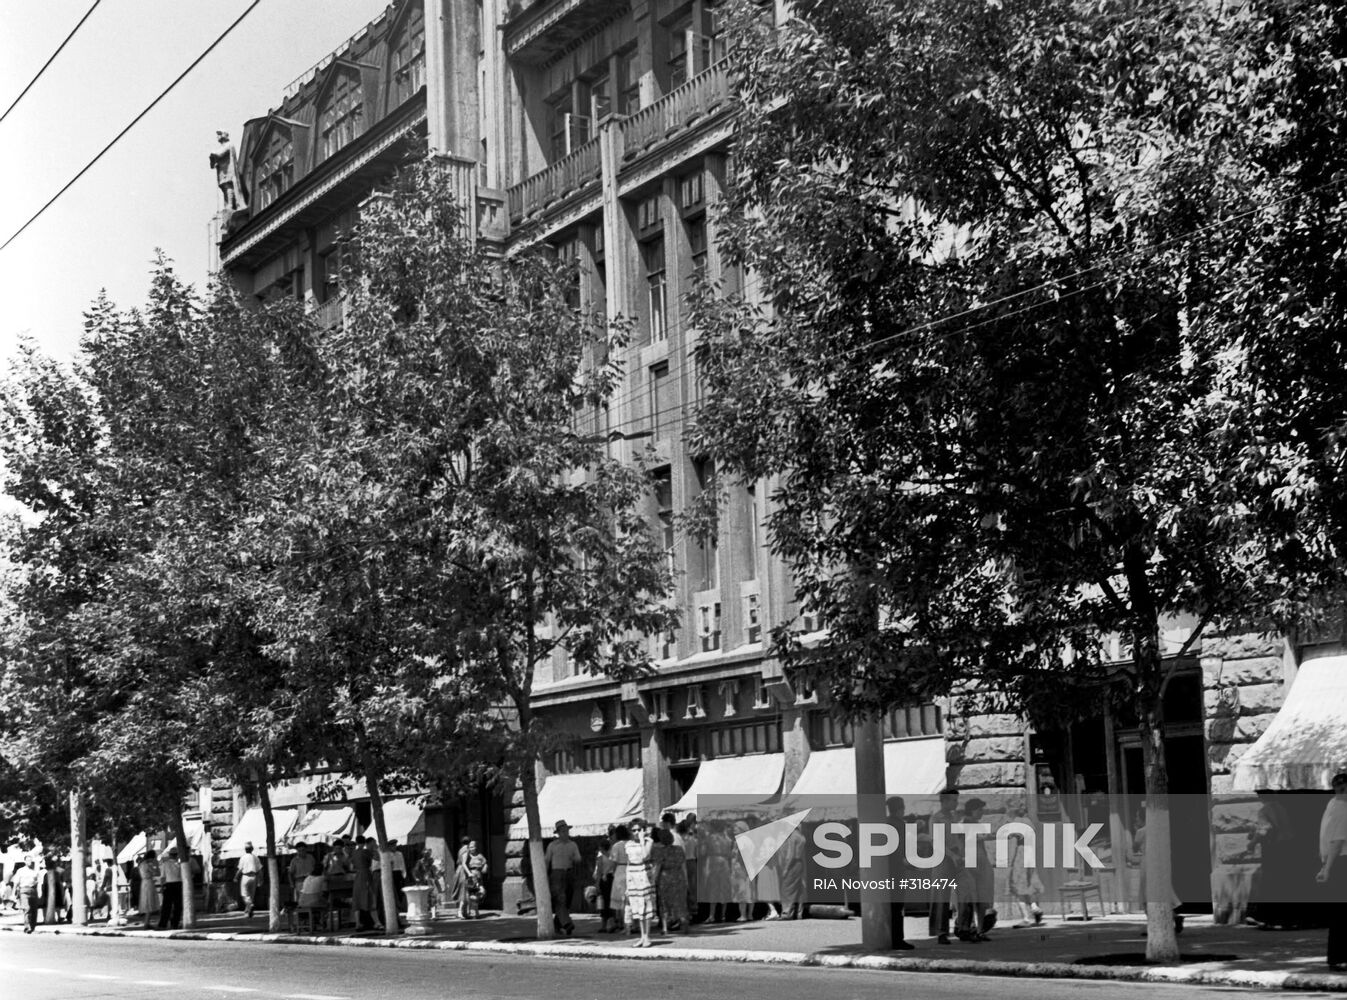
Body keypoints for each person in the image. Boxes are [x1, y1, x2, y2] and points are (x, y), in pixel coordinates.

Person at [1316, 771, 1347, 971]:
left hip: (1334, 862)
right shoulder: (1343, 807)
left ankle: (1336, 956)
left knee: (1339, 913)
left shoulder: (1332, 805)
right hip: (1342, 862)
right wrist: (1327, 869)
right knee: (1342, 914)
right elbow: (1337, 840)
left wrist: (1325, 865)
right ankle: (1340, 956)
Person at [953, 797, 994, 941]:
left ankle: (980, 930)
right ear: (972, 810)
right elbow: (961, 842)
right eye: (979, 809)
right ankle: (966, 927)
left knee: (982, 899)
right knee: (970, 898)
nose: (981, 812)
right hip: (969, 863)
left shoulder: (977, 824)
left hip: (981, 862)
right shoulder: (962, 823)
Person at [928, 789, 960, 943]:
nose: (956, 803)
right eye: (954, 800)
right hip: (942, 859)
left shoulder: (954, 817)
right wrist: (952, 856)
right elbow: (937, 843)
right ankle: (941, 932)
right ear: (945, 801)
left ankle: (963, 926)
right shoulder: (937, 819)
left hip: (956, 857)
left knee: (964, 892)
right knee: (941, 896)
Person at [545, 820, 582, 935]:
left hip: (569, 873)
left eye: (566, 831)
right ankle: (567, 924)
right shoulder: (552, 846)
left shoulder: (572, 845)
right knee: (560, 899)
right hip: (556, 874)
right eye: (563, 831)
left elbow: (578, 858)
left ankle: (557, 925)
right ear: (558, 833)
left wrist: (574, 858)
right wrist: (545, 876)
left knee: (567, 901)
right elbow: (547, 861)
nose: (565, 833)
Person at [625, 821, 657, 947]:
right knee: (637, 906)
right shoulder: (628, 845)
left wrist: (642, 841)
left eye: (638, 830)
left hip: (644, 875)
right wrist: (627, 883)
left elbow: (645, 856)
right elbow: (628, 862)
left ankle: (647, 936)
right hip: (633, 875)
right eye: (633, 830)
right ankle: (642, 936)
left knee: (646, 904)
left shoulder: (649, 842)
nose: (636, 833)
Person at [653, 827, 690, 933]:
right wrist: (686, 880)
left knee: (664, 903)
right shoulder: (679, 849)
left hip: (665, 878)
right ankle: (683, 920)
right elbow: (684, 866)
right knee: (680, 901)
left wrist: (654, 879)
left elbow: (658, 867)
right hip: (679, 876)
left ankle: (665, 927)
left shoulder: (660, 852)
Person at [1006, 832, 1044, 927]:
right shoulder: (1028, 822)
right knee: (1029, 884)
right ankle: (1034, 906)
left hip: (1020, 856)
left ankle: (1026, 918)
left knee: (1018, 888)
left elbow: (1012, 837)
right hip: (1029, 855)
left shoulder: (1016, 823)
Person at [351, 836, 378, 930]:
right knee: (370, 897)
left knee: (357, 899)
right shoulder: (366, 851)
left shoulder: (354, 852)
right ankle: (377, 922)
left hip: (357, 876)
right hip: (366, 875)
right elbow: (377, 858)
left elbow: (352, 866)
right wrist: (375, 848)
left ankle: (357, 923)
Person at [608, 824, 630, 932]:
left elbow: (613, 861)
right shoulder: (631, 844)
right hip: (631, 869)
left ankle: (623, 923)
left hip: (620, 870)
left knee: (621, 899)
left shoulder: (616, 846)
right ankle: (631, 923)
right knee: (629, 898)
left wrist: (610, 871)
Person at [12, 855, 43, 933]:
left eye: (31, 860)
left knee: (34, 910)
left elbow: (38, 883)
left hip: (33, 890)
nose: (30, 862)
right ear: (25, 861)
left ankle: (32, 927)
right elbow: (16, 883)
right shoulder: (20, 871)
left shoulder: (34, 872)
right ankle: (27, 927)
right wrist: (13, 893)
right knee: (27, 908)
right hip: (24, 891)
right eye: (28, 860)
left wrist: (40, 892)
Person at [679, 815, 700, 921]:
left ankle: (689, 911)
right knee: (692, 887)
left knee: (687, 887)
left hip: (686, 862)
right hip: (691, 862)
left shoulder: (682, 838)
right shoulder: (692, 837)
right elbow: (697, 852)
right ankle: (693, 911)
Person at [158, 846, 184, 929]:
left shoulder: (165, 864)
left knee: (166, 906)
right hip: (178, 884)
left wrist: (162, 887)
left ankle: (163, 924)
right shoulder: (180, 865)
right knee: (178, 905)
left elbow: (163, 877)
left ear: (170, 855)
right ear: (176, 855)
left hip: (168, 885)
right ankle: (175, 923)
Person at [237, 842, 263, 919]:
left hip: (245, 876)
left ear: (245, 850)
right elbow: (259, 870)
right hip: (254, 877)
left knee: (244, 894)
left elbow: (240, 869)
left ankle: (250, 905)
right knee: (251, 895)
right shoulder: (256, 858)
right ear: (252, 849)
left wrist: (236, 877)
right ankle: (248, 912)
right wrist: (260, 879)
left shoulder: (243, 857)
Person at [137, 850, 161, 929]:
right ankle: (146, 923)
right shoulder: (147, 864)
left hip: (144, 883)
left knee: (148, 902)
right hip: (148, 883)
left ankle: (147, 922)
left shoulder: (142, 864)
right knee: (149, 902)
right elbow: (157, 873)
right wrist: (156, 864)